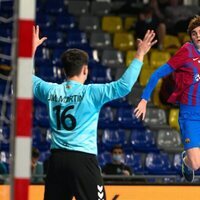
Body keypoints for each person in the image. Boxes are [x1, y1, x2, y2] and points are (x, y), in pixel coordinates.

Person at [32, 25, 156, 200]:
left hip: (57, 160)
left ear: (63, 71)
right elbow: (124, 86)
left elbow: (26, 79)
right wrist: (140, 53)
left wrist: (31, 51)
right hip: (83, 160)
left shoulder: (51, 91)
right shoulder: (91, 93)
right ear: (85, 70)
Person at [134, 15, 200, 183]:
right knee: (195, 163)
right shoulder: (186, 51)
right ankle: (186, 161)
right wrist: (144, 99)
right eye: (194, 33)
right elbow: (157, 74)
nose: (198, 36)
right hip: (190, 115)